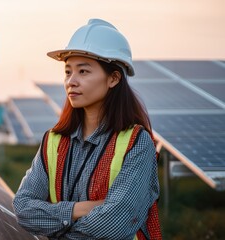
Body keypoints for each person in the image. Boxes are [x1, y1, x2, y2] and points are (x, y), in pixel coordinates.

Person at [13, 19, 162, 240]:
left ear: (113, 78)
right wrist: (81, 209)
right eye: (67, 71)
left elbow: (114, 223)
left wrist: (55, 224)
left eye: (83, 71)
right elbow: (23, 208)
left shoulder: (136, 143)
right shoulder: (53, 141)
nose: (71, 81)